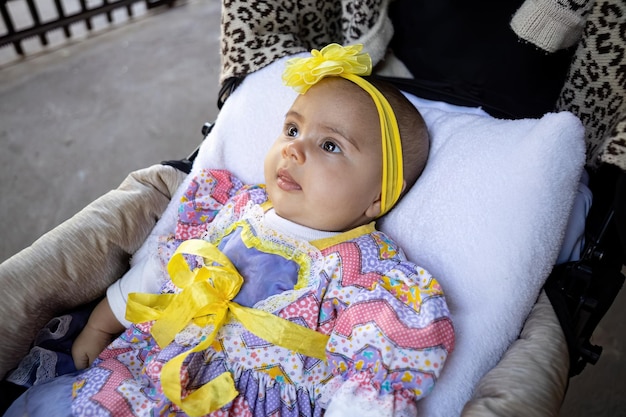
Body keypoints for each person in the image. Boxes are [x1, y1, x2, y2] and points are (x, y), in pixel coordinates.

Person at [5, 44, 454, 417]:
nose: (294, 149)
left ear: (376, 199)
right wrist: (102, 324)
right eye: (293, 128)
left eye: (330, 145)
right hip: (153, 368)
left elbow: (373, 372)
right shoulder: (234, 204)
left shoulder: (367, 272)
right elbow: (167, 272)